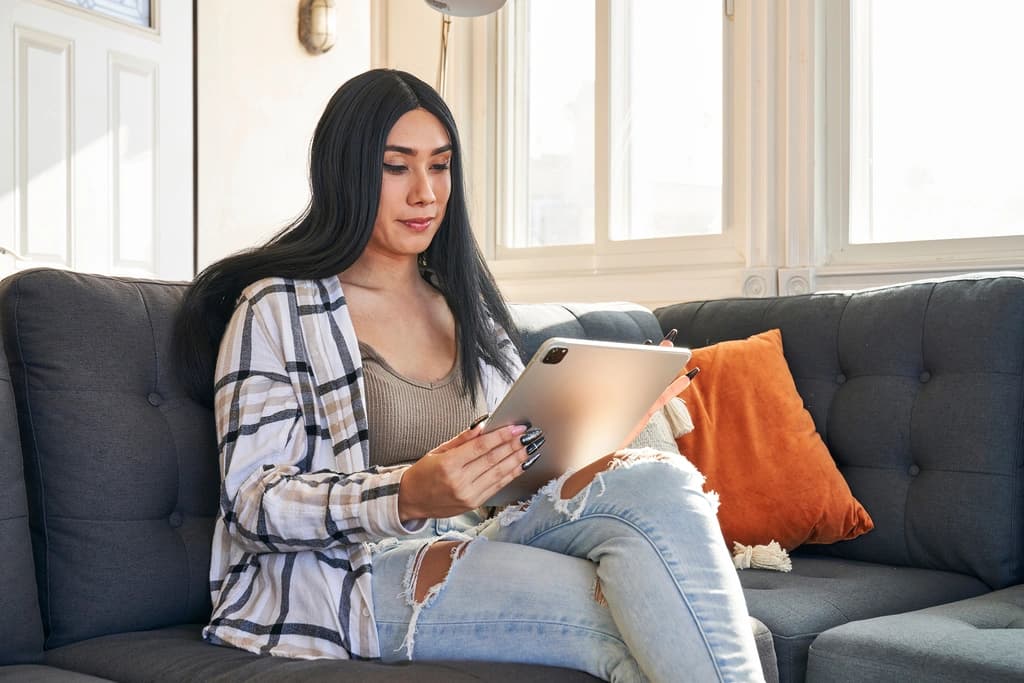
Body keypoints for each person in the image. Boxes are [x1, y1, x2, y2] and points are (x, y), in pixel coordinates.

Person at [173, 68, 764, 682]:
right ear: (344, 173)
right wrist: (407, 494)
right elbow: (251, 501)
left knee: (660, 479)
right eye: (396, 166)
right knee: (646, 631)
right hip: (352, 574)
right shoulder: (276, 308)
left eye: (440, 165)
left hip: (492, 535)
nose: (425, 192)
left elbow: (525, 464)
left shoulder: (464, 306)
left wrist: (611, 422)